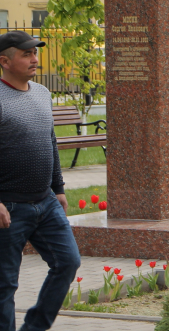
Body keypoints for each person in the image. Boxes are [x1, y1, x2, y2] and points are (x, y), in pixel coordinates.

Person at [0, 31, 81, 331]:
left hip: (45, 202)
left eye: (35, 53)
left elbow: (51, 140)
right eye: (26, 54)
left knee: (67, 262)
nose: (35, 59)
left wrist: (58, 188)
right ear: (4, 61)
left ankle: (34, 327)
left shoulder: (42, 92)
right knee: (4, 285)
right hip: (9, 207)